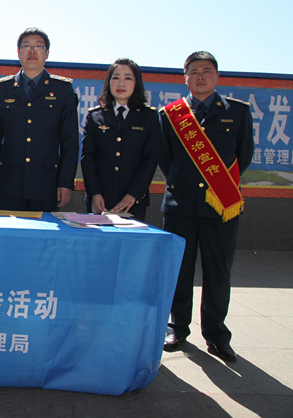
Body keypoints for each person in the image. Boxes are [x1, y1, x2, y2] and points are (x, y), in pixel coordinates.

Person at [160, 51, 253, 363]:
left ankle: (216, 335)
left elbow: (244, 155)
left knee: (218, 273)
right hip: (181, 205)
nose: (200, 76)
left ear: (217, 76)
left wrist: (218, 187)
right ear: (185, 77)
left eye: (207, 71)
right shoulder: (170, 115)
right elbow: (166, 158)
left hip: (221, 207)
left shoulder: (237, 112)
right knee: (180, 271)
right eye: (194, 71)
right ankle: (177, 328)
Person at [0, 27, 79, 212]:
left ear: (47, 53)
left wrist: (65, 182)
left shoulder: (62, 89)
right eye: (26, 46)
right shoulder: (3, 88)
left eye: (38, 46)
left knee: (45, 231)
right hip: (10, 182)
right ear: (18, 52)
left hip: (47, 183)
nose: (32, 51)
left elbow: (70, 142)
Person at [80, 59, 160, 221]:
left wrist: (133, 194)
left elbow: (150, 159)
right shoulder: (95, 116)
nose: (121, 83)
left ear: (137, 83)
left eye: (128, 78)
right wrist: (94, 193)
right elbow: (87, 158)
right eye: (116, 78)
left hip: (132, 202)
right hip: (100, 201)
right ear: (108, 82)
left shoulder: (149, 117)